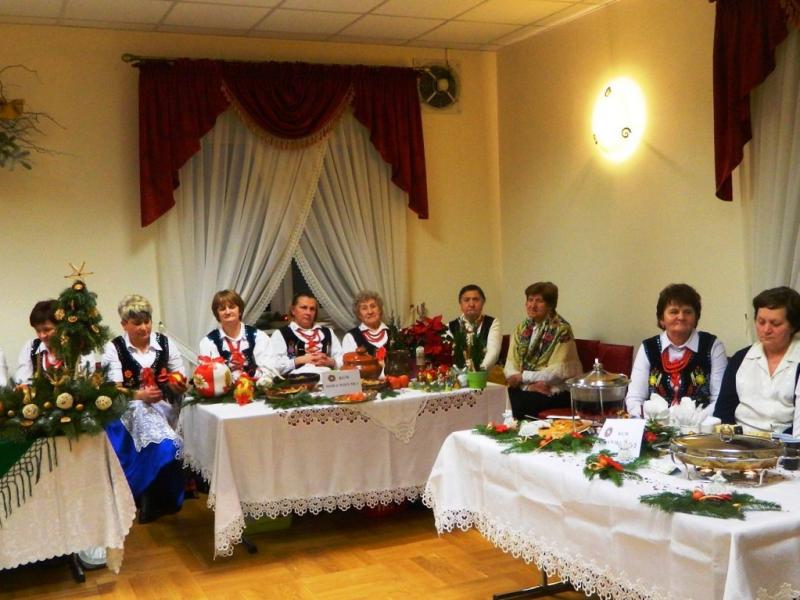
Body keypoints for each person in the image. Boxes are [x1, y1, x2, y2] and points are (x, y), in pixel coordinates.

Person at [103, 294, 187, 524]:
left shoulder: (165, 343)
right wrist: (140, 395)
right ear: (124, 325)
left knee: (175, 437)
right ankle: (147, 493)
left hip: (166, 404)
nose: (144, 327)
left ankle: (161, 497)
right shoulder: (114, 348)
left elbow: (180, 376)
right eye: (137, 323)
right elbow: (113, 389)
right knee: (166, 444)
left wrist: (177, 384)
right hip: (131, 407)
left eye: (147, 321)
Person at [626, 283, 727, 418]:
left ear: (696, 317)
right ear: (662, 319)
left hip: (699, 426)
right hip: (655, 426)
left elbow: (719, 399)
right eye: (674, 312)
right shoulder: (648, 347)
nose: (681, 317)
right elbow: (635, 397)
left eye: (688, 312)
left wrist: (693, 422)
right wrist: (652, 422)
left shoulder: (713, 345)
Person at [715, 287, 800, 434]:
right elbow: (723, 411)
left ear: (793, 326)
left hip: (784, 442)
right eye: (761, 322)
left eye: (775, 324)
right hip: (739, 440)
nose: (766, 330)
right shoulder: (740, 359)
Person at [504, 282, 582, 420]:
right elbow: (511, 367)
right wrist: (528, 386)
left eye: (539, 301)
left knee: (519, 402)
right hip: (527, 388)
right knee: (503, 396)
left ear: (550, 305)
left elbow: (556, 373)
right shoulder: (521, 329)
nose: (532, 305)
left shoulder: (562, 330)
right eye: (530, 300)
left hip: (555, 390)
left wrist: (523, 378)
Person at [198, 289, 277, 381]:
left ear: (240, 311)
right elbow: (209, 378)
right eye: (222, 309)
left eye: (232, 307)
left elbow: (269, 373)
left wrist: (248, 371)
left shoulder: (259, 337)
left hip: (257, 389)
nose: (227, 312)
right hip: (224, 390)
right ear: (217, 314)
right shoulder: (208, 342)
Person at [268, 293, 343, 375]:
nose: (308, 312)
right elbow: (274, 366)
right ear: (293, 310)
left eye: (312, 309)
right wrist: (299, 360)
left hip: (328, 378)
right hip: (298, 380)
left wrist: (331, 362)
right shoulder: (281, 334)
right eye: (304, 307)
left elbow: (342, 360)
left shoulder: (328, 332)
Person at [448, 284, 502, 370]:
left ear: (483, 302)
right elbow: (448, 357)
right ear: (460, 304)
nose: (471, 304)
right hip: (458, 375)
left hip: (484, 374)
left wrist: (478, 371)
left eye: (476, 299)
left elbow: (493, 352)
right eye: (466, 300)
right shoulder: (450, 326)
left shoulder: (493, 323)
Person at [15, 300, 68, 384]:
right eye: (38, 330)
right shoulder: (30, 347)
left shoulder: (75, 349)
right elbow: (22, 381)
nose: (42, 335)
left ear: (61, 327)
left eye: (47, 329)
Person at [341, 291, 389, 359]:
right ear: (359, 314)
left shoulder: (394, 332)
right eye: (364, 308)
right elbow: (349, 363)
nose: (370, 312)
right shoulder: (350, 337)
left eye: (373, 306)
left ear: (380, 310)